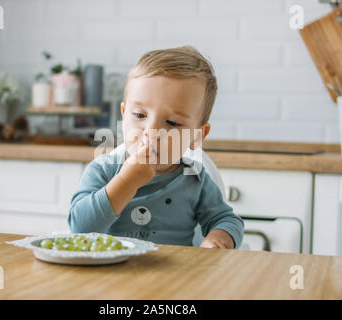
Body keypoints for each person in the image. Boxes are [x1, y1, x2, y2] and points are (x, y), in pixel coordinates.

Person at [68, 46, 244, 249]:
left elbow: (228, 220)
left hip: (174, 277)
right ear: (124, 115)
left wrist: (218, 238)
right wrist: (127, 181)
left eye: (172, 122)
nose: (151, 131)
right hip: (111, 275)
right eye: (140, 115)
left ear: (197, 136)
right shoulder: (104, 170)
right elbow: (79, 227)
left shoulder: (194, 178)